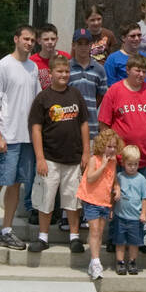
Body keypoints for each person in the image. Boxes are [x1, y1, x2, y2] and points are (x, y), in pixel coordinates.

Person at [0, 24, 40, 267]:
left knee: (15, 185)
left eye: (32, 40)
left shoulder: (33, 67)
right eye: (26, 39)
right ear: (16, 39)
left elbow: (35, 102)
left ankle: (6, 230)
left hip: (25, 138)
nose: (29, 43)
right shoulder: (3, 66)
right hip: (7, 137)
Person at [98, 53, 146, 252]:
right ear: (127, 70)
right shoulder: (114, 92)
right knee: (116, 198)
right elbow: (104, 124)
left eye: (144, 71)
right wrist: (109, 151)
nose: (141, 74)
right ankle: (114, 237)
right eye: (137, 70)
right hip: (120, 159)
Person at [26, 55, 89, 254]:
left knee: (72, 200)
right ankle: (43, 237)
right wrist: (40, 158)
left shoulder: (76, 95)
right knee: (46, 199)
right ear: (51, 73)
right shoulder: (43, 98)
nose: (64, 75)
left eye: (66, 71)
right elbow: (35, 129)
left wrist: (86, 152)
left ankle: (74, 237)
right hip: (50, 159)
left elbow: (84, 124)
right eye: (60, 71)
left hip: (73, 158)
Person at [77, 126, 123, 281]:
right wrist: (102, 165)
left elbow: (113, 179)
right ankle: (96, 262)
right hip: (91, 199)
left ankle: (93, 261)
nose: (111, 150)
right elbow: (90, 178)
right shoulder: (94, 160)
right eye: (108, 146)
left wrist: (117, 187)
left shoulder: (113, 162)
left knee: (100, 231)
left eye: (114, 147)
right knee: (95, 230)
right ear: (102, 146)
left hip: (104, 201)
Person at [113, 143, 146, 275]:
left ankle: (132, 261)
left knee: (134, 242)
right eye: (130, 164)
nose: (133, 167)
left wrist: (144, 213)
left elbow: (145, 198)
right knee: (120, 242)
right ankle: (120, 262)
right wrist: (112, 211)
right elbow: (113, 196)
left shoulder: (141, 179)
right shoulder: (119, 177)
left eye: (135, 164)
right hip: (120, 217)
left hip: (135, 218)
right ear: (123, 163)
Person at [69, 28, 107, 138]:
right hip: (70, 126)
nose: (83, 47)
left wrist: (89, 108)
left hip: (91, 127)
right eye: (79, 44)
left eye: (86, 44)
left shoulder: (99, 69)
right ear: (73, 45)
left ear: (91, 45)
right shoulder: (66, 68)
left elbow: (101, 95)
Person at [31, 23, 70, 90]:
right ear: (39, 41)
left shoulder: (66, 57)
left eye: (53, 39)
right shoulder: (32, 61)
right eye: (46, 39)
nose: (50, 42)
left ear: (57, 39)